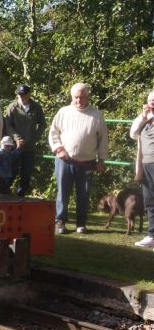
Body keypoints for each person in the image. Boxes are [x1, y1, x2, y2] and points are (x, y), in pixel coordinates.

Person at [48, 83, 108, 234]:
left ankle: (81, 223)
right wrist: (59, 148)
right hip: (64, 160)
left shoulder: (96, 115)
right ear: (71, 97)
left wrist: (101, 160)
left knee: (84, 193)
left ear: (87, 96)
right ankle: (60, 221)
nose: (79, 100)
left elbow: (103, 139)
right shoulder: (63, 112)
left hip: (87, 162)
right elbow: (53, 132)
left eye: (82, 97)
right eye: (76, 97)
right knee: (63, 191)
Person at [4, 84, 47, 196]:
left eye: (23, 95)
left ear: (29, 94)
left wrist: (35, 137)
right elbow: (8, 125)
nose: (22, 97)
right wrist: (16, 138)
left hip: (29, 147)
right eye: (19, 95)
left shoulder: (36, 107)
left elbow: (43, 124)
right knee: (11, 172)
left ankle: (20, 196)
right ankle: (5, 194)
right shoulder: (12, 107)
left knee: (26, 174)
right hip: (14, 147)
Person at [130, 90, 154, 248]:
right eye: (151, 100)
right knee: (150, 201)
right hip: (146, 164)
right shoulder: (145, 118)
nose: (153, 102)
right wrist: (143, 117)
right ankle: (152, 235)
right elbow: (133, 133)